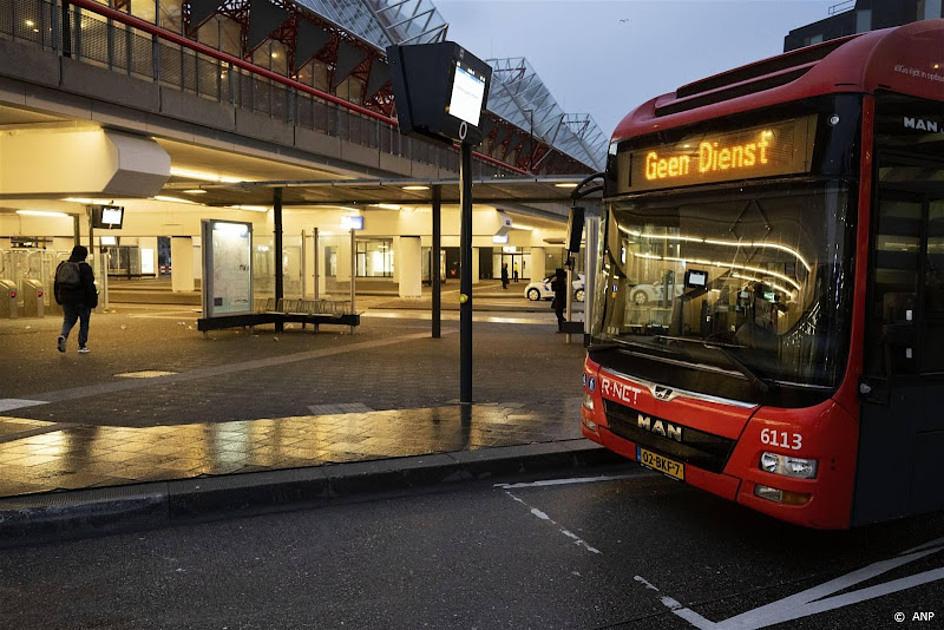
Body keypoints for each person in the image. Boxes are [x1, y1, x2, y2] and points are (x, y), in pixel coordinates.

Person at [54, 245, 98, 354]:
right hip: (82, 299)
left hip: (66, 299)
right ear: (84, 255)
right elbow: (89, 286)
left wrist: (58, 298)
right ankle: (82, 345)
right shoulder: (84, 267)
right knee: (84, 321)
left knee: (68, 320)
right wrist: (93, 300)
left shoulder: (62, 265)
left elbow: (56, 284)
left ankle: (63, 335)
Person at [550, 268, 567, 332]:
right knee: (559, 313)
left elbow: (554, 288)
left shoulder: (560, 281)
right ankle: (562, 326)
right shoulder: (563, 280)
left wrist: (553, 282)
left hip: (560, 299)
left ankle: (562, 326)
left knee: (558, 313)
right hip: (560, 298)